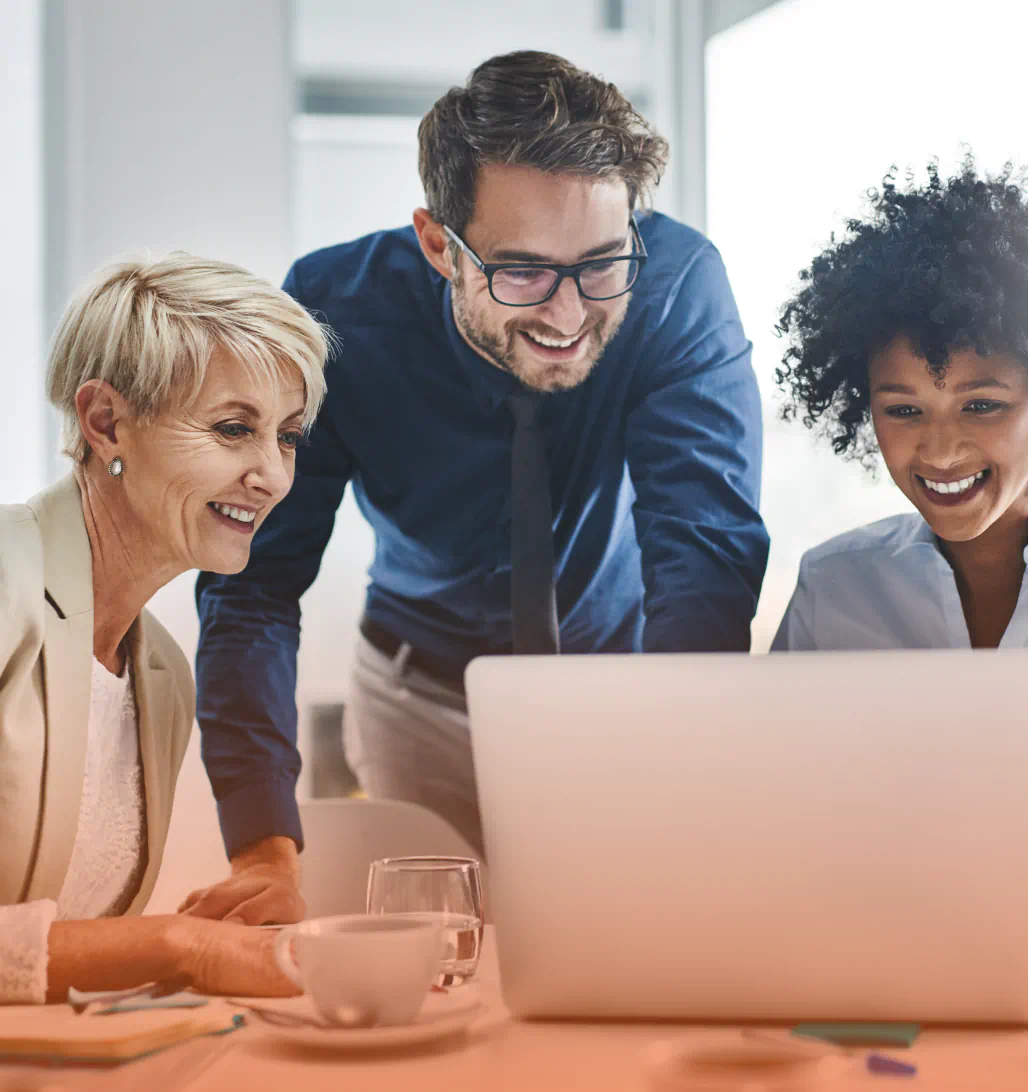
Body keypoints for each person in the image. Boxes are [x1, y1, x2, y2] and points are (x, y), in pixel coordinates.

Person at [195, 50, 769, 866]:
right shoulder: (334, 314)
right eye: (524, 271)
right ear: (440, 245)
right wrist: (260, 835)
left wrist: (680, 767)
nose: (568, 314)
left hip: (627, 690)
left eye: (601, 263)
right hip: (417, 699)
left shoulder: (675, 286)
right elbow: (254, 580)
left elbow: (703, 553)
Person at [770, 157, 1028, 954]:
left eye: (982, 405)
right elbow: (771, 820)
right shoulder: (835, 589)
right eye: (904, 410)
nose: (941, 450)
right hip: (891, 979)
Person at [0, 252, 329, 1002]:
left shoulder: (162, 676)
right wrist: (181, 946)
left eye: (287, 436)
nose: (274, 477)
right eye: (234, 428)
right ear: (106, 422)